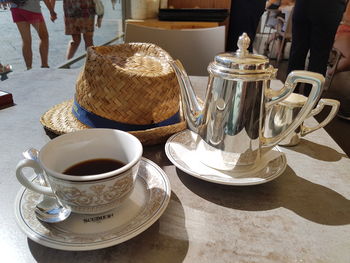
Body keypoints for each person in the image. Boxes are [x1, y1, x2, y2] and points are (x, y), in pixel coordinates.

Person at [287, 0, 346, 82]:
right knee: (319, 56)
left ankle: (291, 91)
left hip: (304, 5)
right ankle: (311, 93)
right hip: (329, 7)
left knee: (297, 51)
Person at [9, 0, 57, 70]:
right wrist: (52, 11)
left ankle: (29, 67)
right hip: (32, 9)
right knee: (44, 37)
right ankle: (44, 65)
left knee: (26, 40)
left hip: (16, 9)